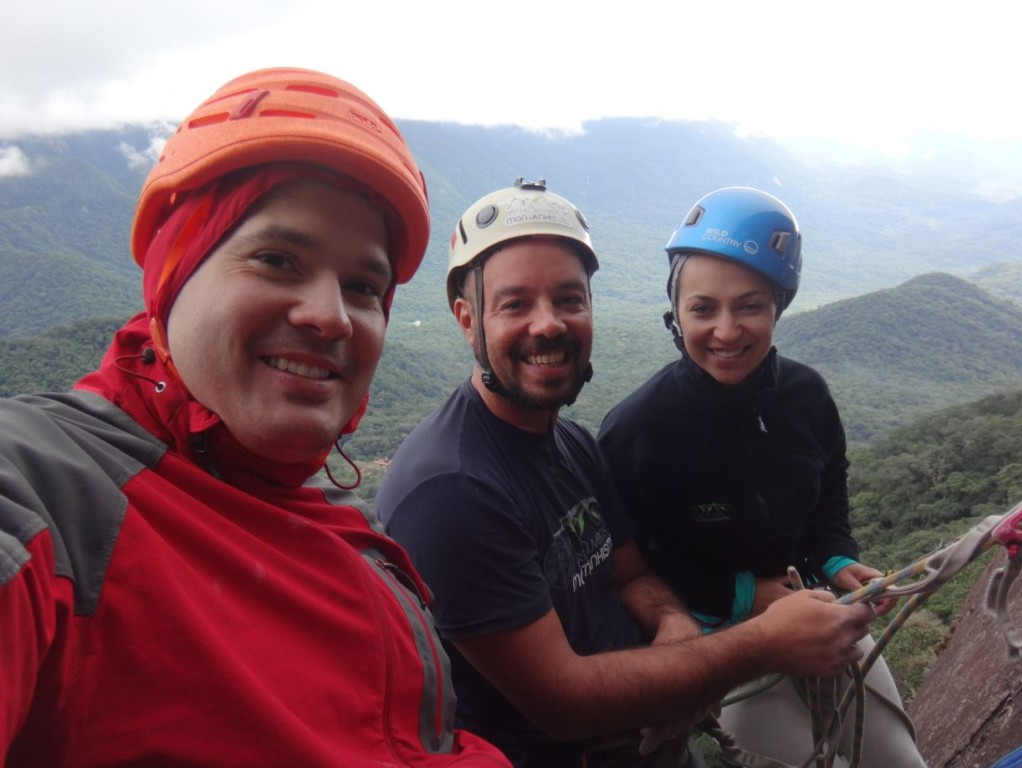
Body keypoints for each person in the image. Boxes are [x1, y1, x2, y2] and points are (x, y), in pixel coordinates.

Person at [0, 67, 512, 767]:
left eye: (364, 286)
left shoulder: (346, 526)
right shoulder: (47, 495)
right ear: (173, 274)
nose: (330, 315)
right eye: (276, 259)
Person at [374, 178, 878, 768]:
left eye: (569, 299)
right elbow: (564, 703)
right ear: (467, 319)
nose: (549, 325)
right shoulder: (452, 490)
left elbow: (631, 572)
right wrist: (762, 640)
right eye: (515, 304)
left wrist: (674, 623)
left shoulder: (571, 442)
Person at [598, 186, 926, 767]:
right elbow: (635, 563)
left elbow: (828, 491)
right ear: (675, 311)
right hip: (722, 639)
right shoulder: (638, 430)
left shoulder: (805, 397)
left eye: (749, 306)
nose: (727, 330)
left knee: (898, 761)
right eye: (703, 309)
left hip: (812, 600)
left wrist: (834, 557)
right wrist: (745, 596)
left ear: (778, 306)